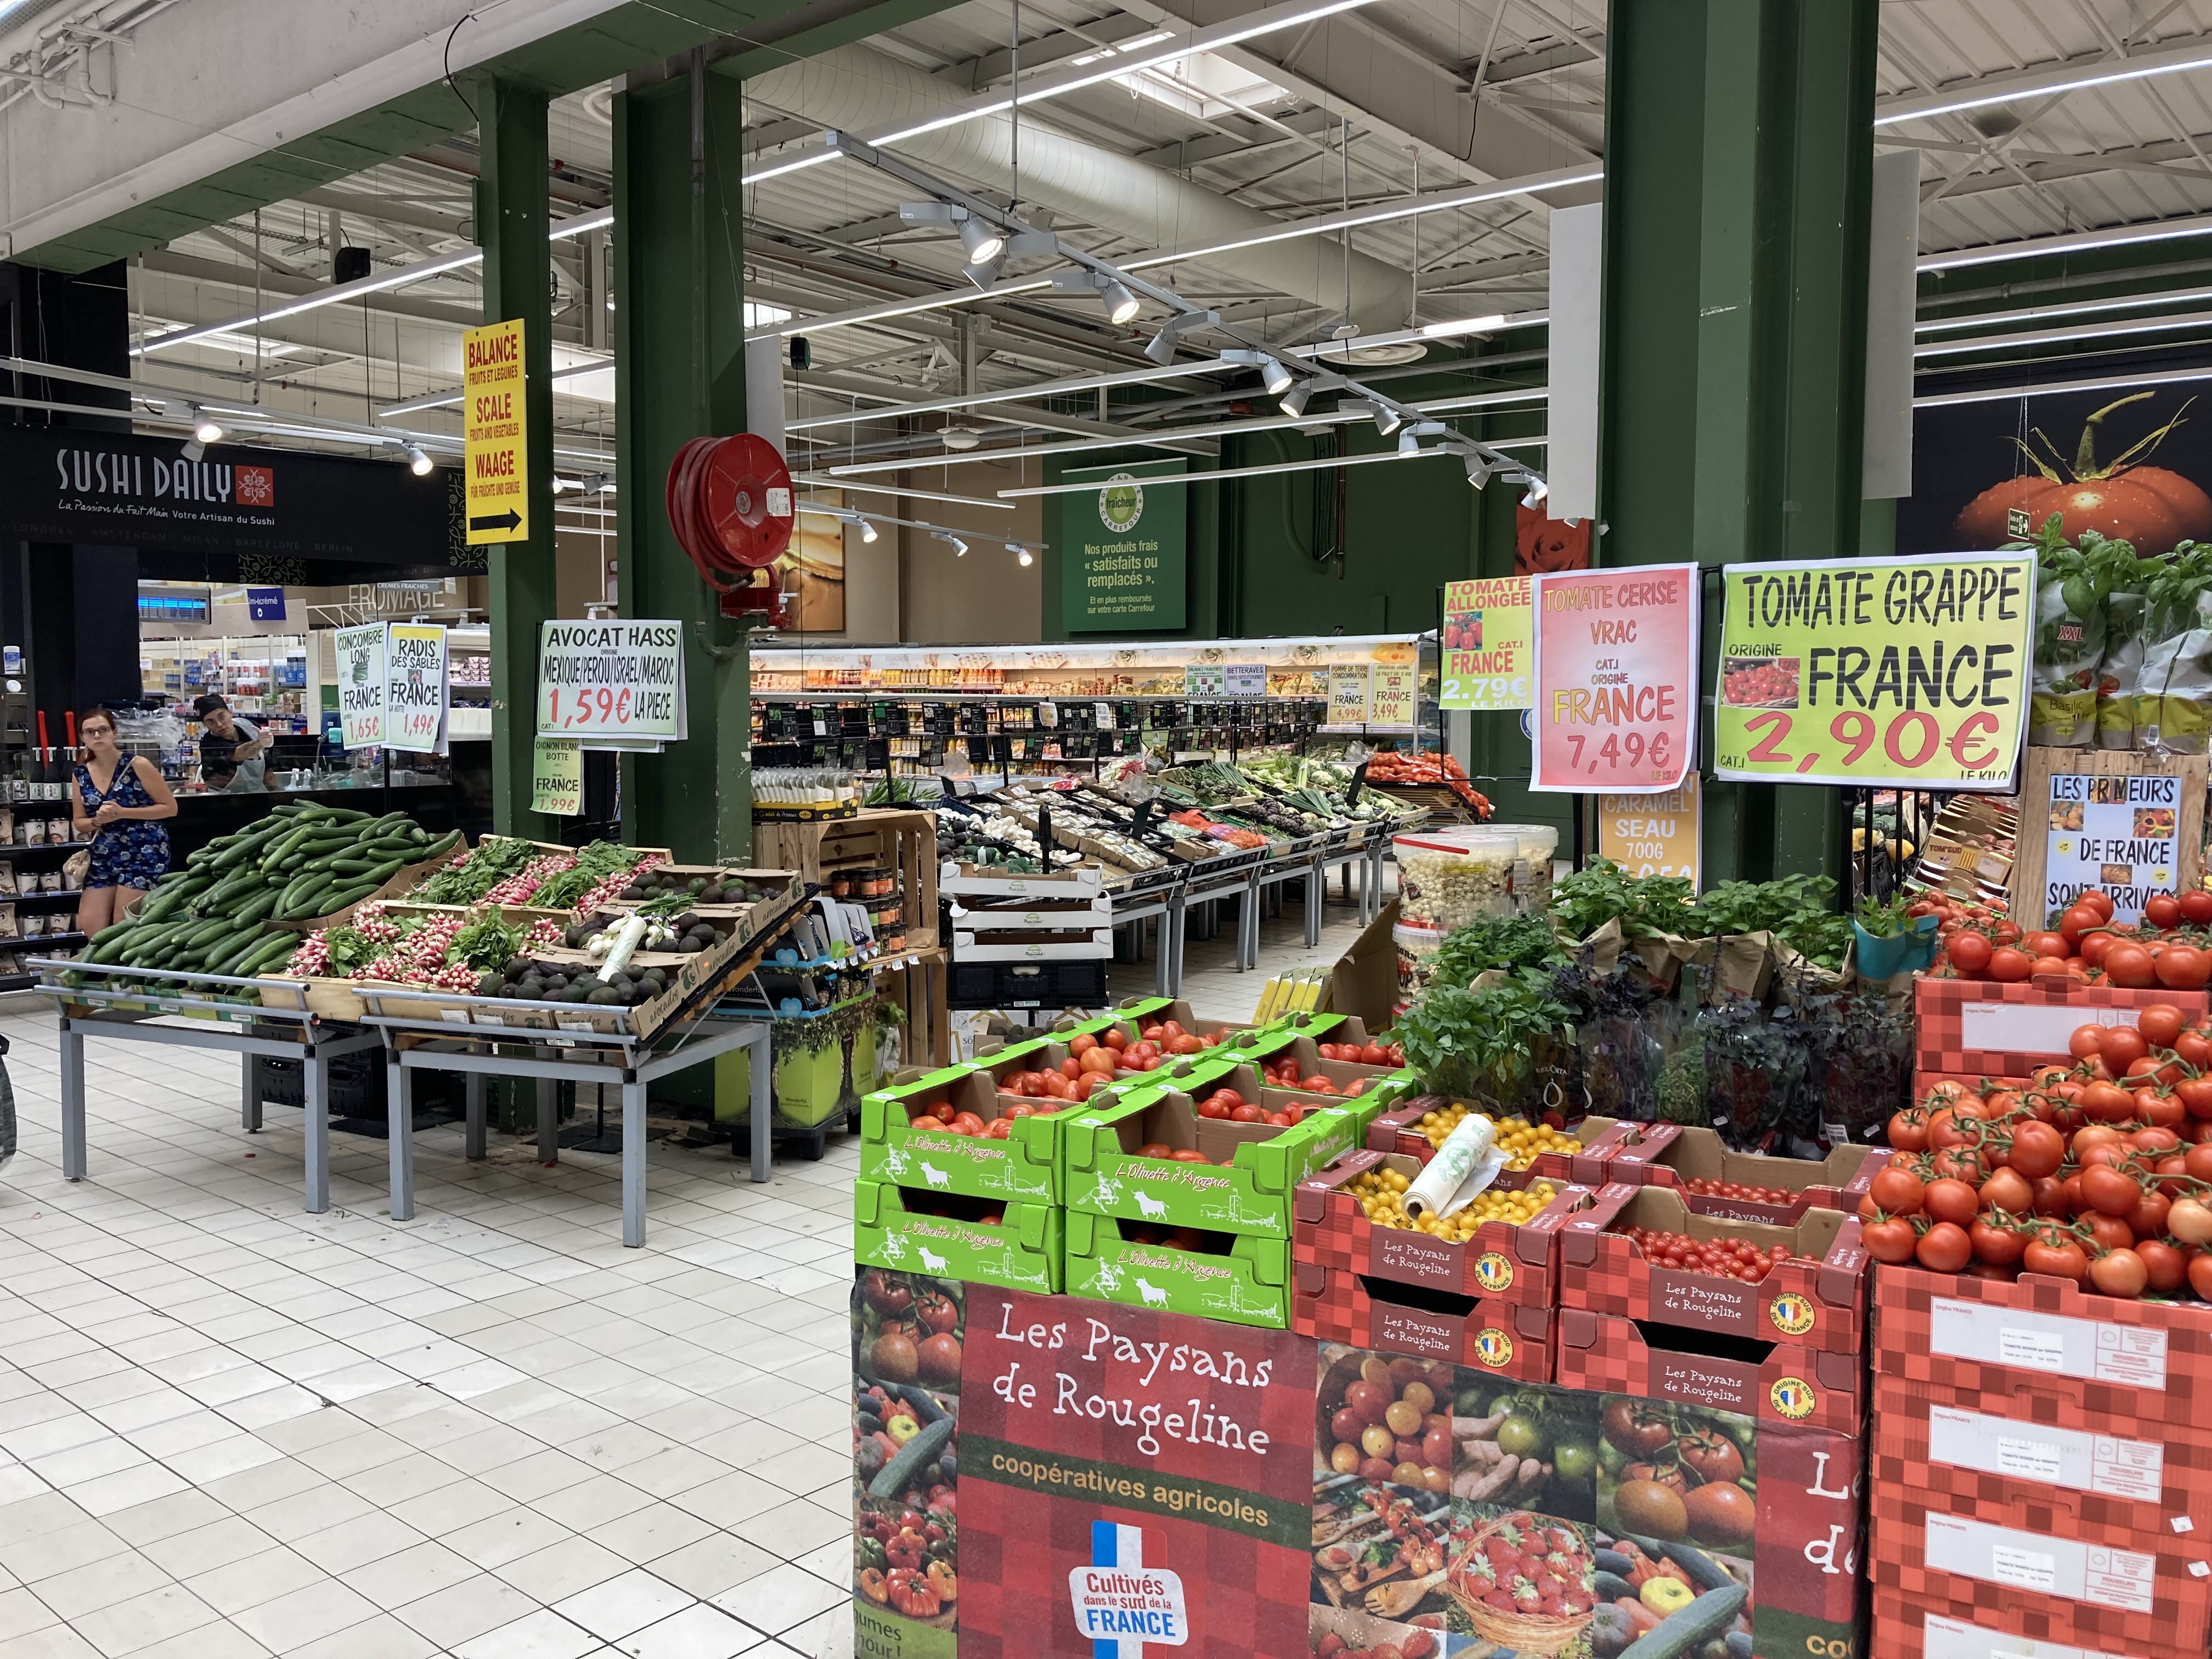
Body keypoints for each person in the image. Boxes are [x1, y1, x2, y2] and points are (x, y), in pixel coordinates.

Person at [71, 707, 178, 935]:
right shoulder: (81, 774)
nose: (97, 736)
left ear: (114, 733)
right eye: (90, 732)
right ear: (83, 738)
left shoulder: (137, 765)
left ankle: (128, 961)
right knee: (90, 926)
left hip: (144, 848)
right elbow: (79, 822)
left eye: (103, 730)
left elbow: (170, 808)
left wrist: (123, 812)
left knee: (124, 925)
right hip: (104, 851)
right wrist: (97, 821)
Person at [195, 692, 270, 792]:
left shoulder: (249, 726)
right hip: (226, 796)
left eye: (222, 716)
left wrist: (274, 794)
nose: (219, 724)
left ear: (230, 713)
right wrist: (262, 743)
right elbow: (240, 753)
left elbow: (268, 768)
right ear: (205, 725)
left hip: (257, 793)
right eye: (210, 721)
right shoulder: (209, 744)